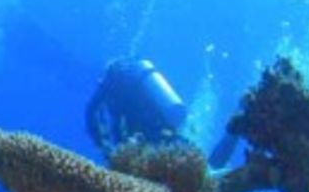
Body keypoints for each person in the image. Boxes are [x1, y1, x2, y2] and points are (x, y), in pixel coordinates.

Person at [85, 56, 239, 166]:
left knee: (202, 174)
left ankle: (234, 129)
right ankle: (235, 128)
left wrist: (108, 151)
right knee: (207, 168)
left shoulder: (112, 81)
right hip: (168, 133)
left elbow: (92, 112)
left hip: (149, 142)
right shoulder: (136, 81)